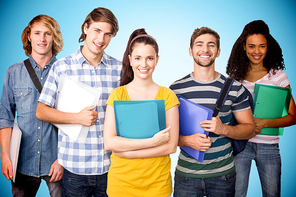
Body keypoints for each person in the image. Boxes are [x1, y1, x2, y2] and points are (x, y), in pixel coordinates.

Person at [35, 7, 121, 197]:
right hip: (75, 169)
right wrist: (76, 118)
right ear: (85, 28)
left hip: (111, 168)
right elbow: (41, 111)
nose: (101, 39)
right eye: (97, 31)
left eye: (107, 34)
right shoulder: (62, 67)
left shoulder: (119, 69)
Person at [170, 27, 256, 197]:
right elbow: (166, 134)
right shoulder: (175, 89)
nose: (205, 49)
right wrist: (186, 140)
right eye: (199, 44)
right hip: (186, 176)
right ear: (190, 51)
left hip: (223, 176)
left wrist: (224, 129)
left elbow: (250, 129)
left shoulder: (234, 88)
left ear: (218, 52)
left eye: (211, 45)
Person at [103, 28, 179, 197]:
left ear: (157, 60)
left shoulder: (167, 96)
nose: (143, 64)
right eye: (138, 58)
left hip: (157, 185)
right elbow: (109, 142)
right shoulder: (117, 95)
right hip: (121, 184)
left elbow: (171, 146)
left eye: (149, 58)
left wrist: (128, 153)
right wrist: (152, 142)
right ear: (130, 60)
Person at [226, 20, 296, 197]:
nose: (256, 52)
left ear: (268, 47)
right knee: (237, 194)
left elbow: (293, 116)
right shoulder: (235, 79)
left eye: (261, 46)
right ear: (243, 47)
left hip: (269, 148)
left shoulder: (278, 77)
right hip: (241, 146)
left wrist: (264, 122)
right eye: (251, 46)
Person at [0, 15, 63, 197]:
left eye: (47, 33)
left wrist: (63, 160)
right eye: (37, 33)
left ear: (54, 37)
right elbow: (5, 116)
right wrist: (5, 155)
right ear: (29, 36)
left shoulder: (65, 72)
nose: (42, 39)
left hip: (56, 163)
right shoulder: (13, 72)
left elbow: (74, 121)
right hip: (22, 162)